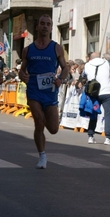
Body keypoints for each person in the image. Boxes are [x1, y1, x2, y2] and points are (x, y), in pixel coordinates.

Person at [18, 14, 68, 169]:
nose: (45, 26)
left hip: (50, 91)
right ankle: (42, 156)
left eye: (48, 24)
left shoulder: (56, 48)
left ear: (51, 28)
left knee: (53, 129)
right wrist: (23, 76)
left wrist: (60, 79)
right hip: (33, 90)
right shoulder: (28, 49)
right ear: (38, 27)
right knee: (38, 122)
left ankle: (49, 118)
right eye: (42, 24)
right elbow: (22, 70)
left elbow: (65, 68)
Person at [83, 52, 110, 145]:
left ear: (90, 58)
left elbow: (84, 76)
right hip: (107, 91)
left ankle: (90, 136)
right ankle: (108, 137)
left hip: (94, 92)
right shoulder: (106, 63)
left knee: (93, 114)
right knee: (108, 114)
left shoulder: (87, 65)